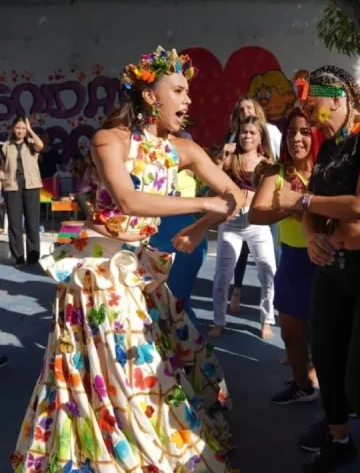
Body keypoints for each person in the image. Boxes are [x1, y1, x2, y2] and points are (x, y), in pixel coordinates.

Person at [10, 46, 244, 473]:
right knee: (114, 368)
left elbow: (235, 196)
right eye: (179, 91)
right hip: (98, 273)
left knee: (147, 364)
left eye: (188, 92)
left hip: (139, 271)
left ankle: (147, 447)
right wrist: (202, 202)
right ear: (151, 96)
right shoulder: (108, 139)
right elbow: (127, 199)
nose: (189, 100)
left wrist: (198, 227)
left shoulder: (183, 148)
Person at [272, 66, 360, 473]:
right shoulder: (331, 143)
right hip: (334, 271)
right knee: (330, 368)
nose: (306, 111)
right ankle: (340, 442)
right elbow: (316, 204)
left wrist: (300, 203)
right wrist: (312, 229)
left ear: (338, 98)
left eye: (311, 103)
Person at [249, 108, 321, 403]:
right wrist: (289, 208)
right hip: (292, 260)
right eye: (291, 132)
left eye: (304, 132)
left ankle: (337, 398)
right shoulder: (276, 173)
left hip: (326, 261)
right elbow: (256, 213)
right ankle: (302, 385)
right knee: (291, 335)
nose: (297, 138)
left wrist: (304, 204)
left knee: (325, 337)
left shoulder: (327, 170)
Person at [211, 116, 277, 340]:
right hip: (230, 223)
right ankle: (219, 320)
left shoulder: (266, 163)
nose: (247, 136)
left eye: (252, 132)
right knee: (222, 275)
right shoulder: (231, 160)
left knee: (268, 271)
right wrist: (222, 156)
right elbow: (213, 180)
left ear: (260, 137)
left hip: (256, 223)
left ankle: (266, 319)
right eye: (244, 132)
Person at [148, 129, 207, 324]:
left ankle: (189, 348)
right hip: (155, 233)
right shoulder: (152, 168)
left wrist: (205, 221)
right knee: (155, 299)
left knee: (178, 300)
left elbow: (229, 195)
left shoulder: (196, 168)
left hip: (186, 235)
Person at [1, 116, 45, 268]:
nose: (21, 131)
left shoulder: (31, 144)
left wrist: (31, 129)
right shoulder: (5, 146)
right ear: (12, 128)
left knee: (32, 223)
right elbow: (1, 169)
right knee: (14, 224)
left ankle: (33, 259)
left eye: (23, 128)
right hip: (12, 185)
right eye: (18, 128)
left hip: (31, 185)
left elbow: (41, 145)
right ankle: (17, 259)